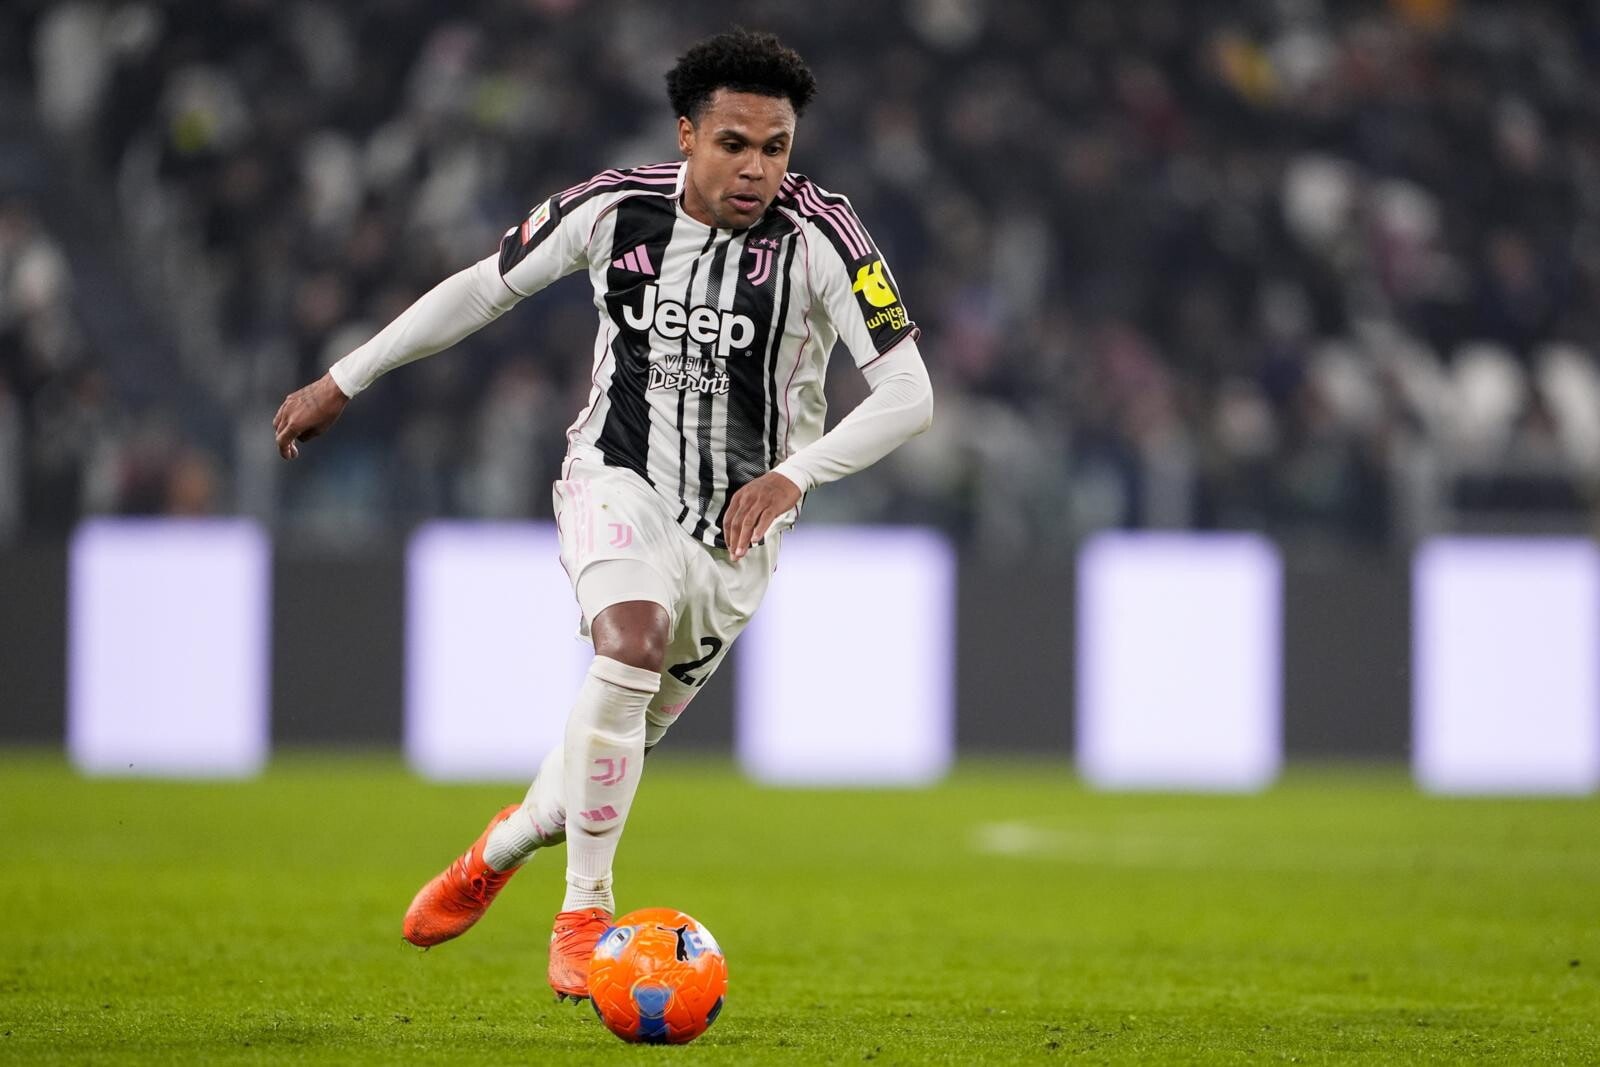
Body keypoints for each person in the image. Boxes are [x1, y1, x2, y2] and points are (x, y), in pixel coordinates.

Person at [272, 28, 933, 1001]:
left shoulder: (823, 235)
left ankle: (499, 847)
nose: (757, 169)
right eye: (734, 144)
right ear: (687, 135)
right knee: (630, 640)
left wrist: (794, 475)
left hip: (738, 535)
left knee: (598, 760)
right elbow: (482, 289)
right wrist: (344, 378)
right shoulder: (614, 208)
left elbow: (910, 394)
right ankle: (585, 912)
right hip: (617, 478)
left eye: (776, 147)